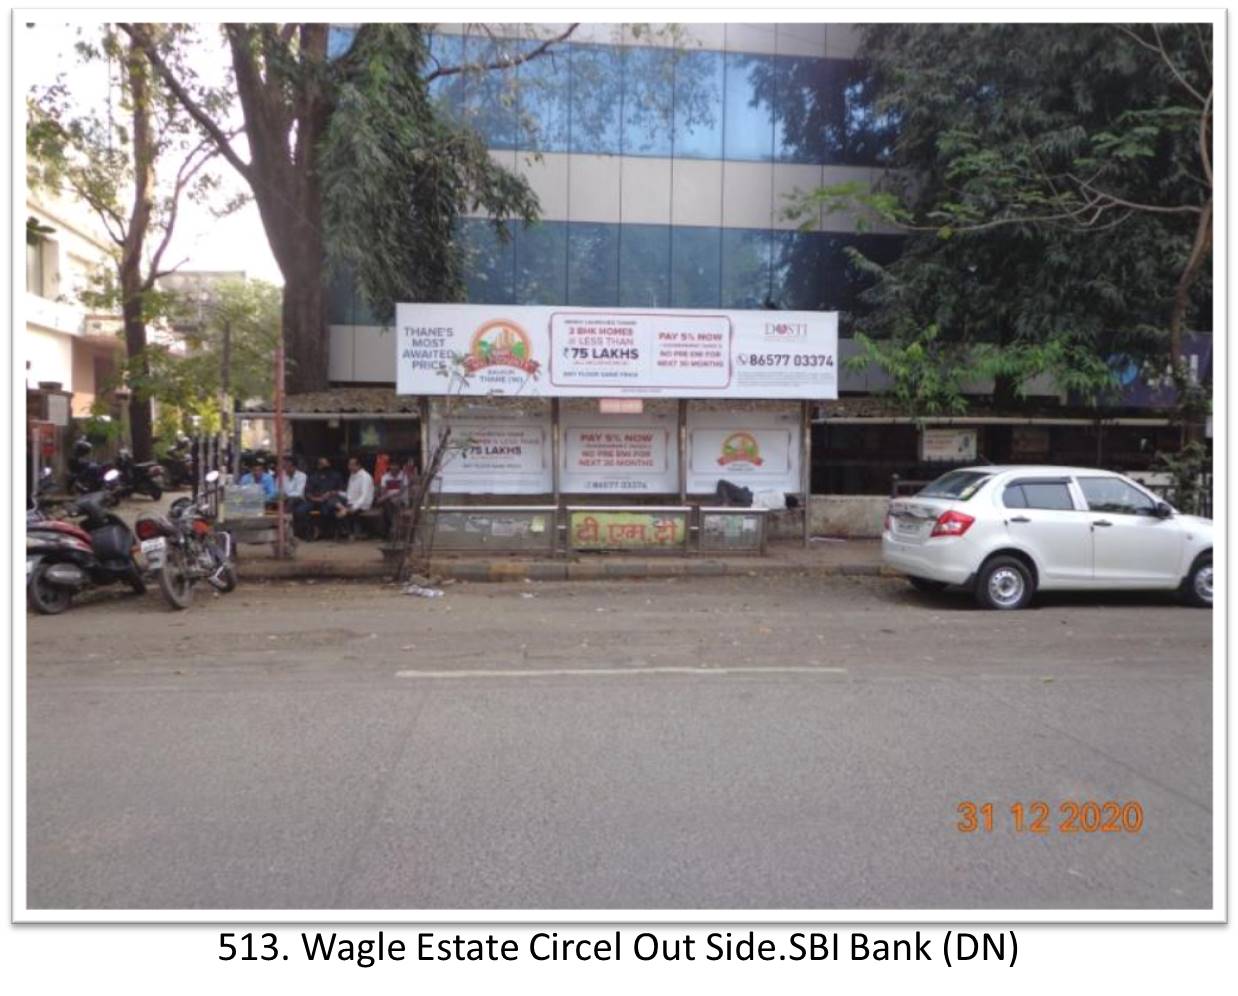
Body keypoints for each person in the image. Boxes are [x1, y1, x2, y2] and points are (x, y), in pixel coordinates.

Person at [328, 455, 374, 539]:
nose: (349, 467)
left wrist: (353, 507)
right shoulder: (352, 475)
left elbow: (364, 496)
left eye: (352, 465)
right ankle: (343, 509)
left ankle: (349, 530)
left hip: (362, 504)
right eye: (349, 464)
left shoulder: (365, 477)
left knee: (340, 512)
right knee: (331, 499)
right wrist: (337, 492)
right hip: (350, 502)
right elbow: (349, 494)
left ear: (359, 465)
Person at [296, 457, 343, 539]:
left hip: (329, 500)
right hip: (313, 500)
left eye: (325, 463)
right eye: (321, 464)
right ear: (318, 466)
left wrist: (331, 493)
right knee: (300, 511)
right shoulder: (313, 477)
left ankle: (326, 532)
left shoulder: (336, 476)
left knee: (328, 510)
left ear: (329, 464)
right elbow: (307, 492)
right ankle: (309, 531)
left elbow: (341, 490)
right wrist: (315, 498)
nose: (323, 466)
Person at [374, 456, 409, 538]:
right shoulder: (385, 477)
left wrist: (390, 495)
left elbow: (402, 491)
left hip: (401, 500)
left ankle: (390, 530)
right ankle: (393, 526)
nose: (393, 467)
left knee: (388, 504)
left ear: (399, 467)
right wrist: (389, 496)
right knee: (388, 504)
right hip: (388, 501)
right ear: (389, 466)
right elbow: (383, 491)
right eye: (392, 465)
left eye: (395, 465)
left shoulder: (403, 476)